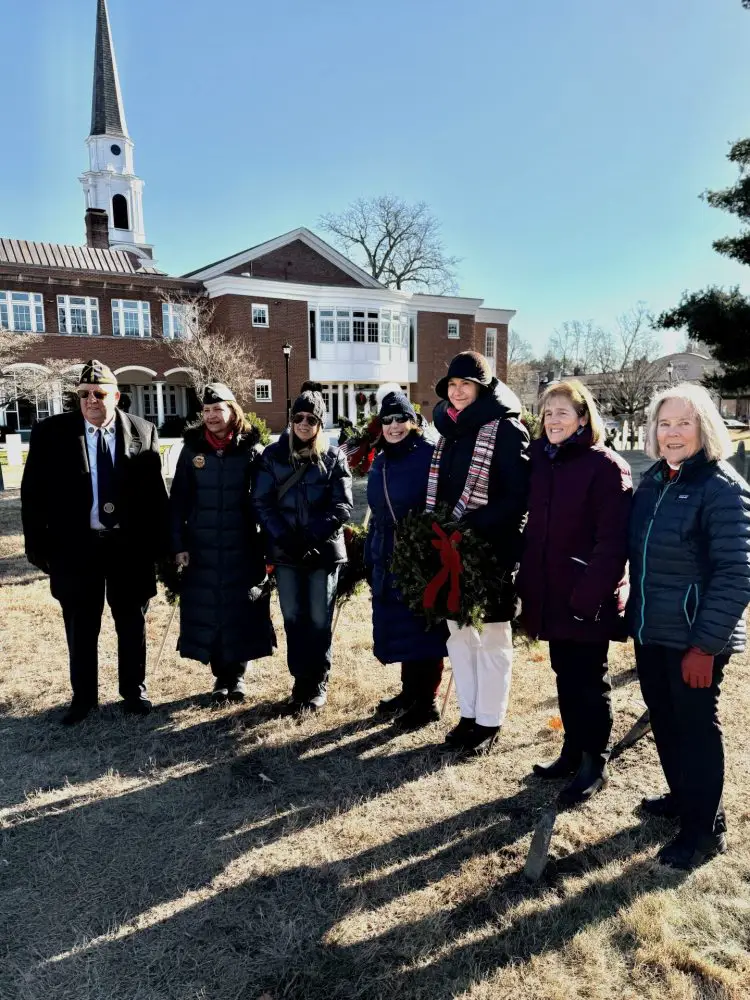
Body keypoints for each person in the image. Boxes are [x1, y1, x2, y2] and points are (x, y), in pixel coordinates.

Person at [628, 383, 750, 869]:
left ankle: (702, 832)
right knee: (665, 719)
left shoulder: (722, 488)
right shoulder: (655, 481)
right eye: (664, 423)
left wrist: (704, 645)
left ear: (705, 427)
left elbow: (737, 573)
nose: (673, 432)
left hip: (695, 639)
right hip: (652, 629)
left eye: (684, 422)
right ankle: (685, 799)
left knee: (695, 728)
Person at [21, 360, 168, 724]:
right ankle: (84, 698)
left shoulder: (143, 430)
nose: (91, 400)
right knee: (81, 626)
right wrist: (39, 549)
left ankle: (134, 693)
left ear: (116, 396)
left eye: (99, 394)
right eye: (84, 394)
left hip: (127, 549)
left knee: (131, 622)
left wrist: (161, 547)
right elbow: (33, 495)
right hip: (76, 550)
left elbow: (155, 498)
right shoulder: (51, 433)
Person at [516, 380, 632, 805]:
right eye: (547, 413)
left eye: (563, 412)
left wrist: (589, 595)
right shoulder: (544, 462)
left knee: (589, 679)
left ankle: (594, 762)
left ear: (583, 418)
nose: (553, 421)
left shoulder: (605, 467)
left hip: (587, 595)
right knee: (565, 673)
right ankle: (571, 750)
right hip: (551, 591)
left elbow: (613, 542)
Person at [430, 351, 530, 755]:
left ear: (483, 389)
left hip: (490, 550)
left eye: (465, 385)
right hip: (449, 547)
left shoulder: (506, 430)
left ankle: (490, 721)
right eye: (452, 385)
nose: (456, 392)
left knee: (490, 638)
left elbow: (517, 497)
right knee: (458, 636)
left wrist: (471, 528)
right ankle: (468, 715)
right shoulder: (450, 431)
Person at [169, 383, 276, 702]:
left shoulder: (252, 451)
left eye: (218, 409)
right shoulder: (191, 452)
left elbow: (265, 501)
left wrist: (268, 545)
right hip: (201, 549)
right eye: (206, 411)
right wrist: (178, 544)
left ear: (233, 411)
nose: (212, 416)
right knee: (210, 610)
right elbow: (178, 501)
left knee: (239, 610)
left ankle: (238, 677)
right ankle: (220, 678)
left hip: (242, 548)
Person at [253, 385, 353, 713]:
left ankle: (318, 680)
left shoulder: (333, 456)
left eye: (311, 418)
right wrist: (287, 539)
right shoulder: (273, 455)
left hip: (322, 552)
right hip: (286, 553)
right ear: (291, 419)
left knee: (318, 618)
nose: (304, 424)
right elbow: (262, 503)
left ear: (320, 423)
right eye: (299, 417)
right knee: (294, 617)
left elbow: (341, 506)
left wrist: (310, 537)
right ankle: (300, 680)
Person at [365, 392, 449, 730]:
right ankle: (409, 691)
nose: (394, 426)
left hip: (419, 554)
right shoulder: (381, 459)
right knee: (400, 622)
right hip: (387, 552)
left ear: (412, 421)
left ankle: (426, 701)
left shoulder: (428, 455)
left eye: (400, 418)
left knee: (423, 627)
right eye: (388, 420)